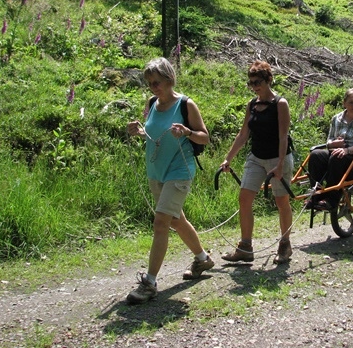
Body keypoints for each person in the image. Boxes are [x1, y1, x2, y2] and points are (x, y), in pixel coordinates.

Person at [126, 57, 213, 305]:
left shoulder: (186, 105)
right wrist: (140, 131)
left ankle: (149, 283)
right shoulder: (152, 104)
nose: (154, 87)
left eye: (157, 82)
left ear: (169, 79)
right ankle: (203, 259)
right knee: (176, 220)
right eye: (150, 83)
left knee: (161, 222)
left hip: (179, 171)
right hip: (156, 172)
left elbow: (204, 138)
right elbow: (154, 135)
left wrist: (186, 132)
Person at [219, 61, 294, 264]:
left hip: (278, 157)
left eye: (257, 81)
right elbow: (244, 133)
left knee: (281, 201)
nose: (254, 86)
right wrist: (228, 157)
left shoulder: (280, 104)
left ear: (269, 79)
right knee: (244, 198)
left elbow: (283, 136)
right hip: (256, 157)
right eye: (250, 82)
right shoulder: (251, 104)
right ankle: (245, 247)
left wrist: (279, 165)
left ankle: (285, 244)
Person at [307, 88, 353, 211]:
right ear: (344, 103)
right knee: (315, 155)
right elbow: (329, 140)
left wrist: (347, 150)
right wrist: (333, 144)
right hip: (336, 151)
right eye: (351, 102)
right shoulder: (336, 118)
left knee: (338, 156)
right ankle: (316, 195)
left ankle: (332, 199)